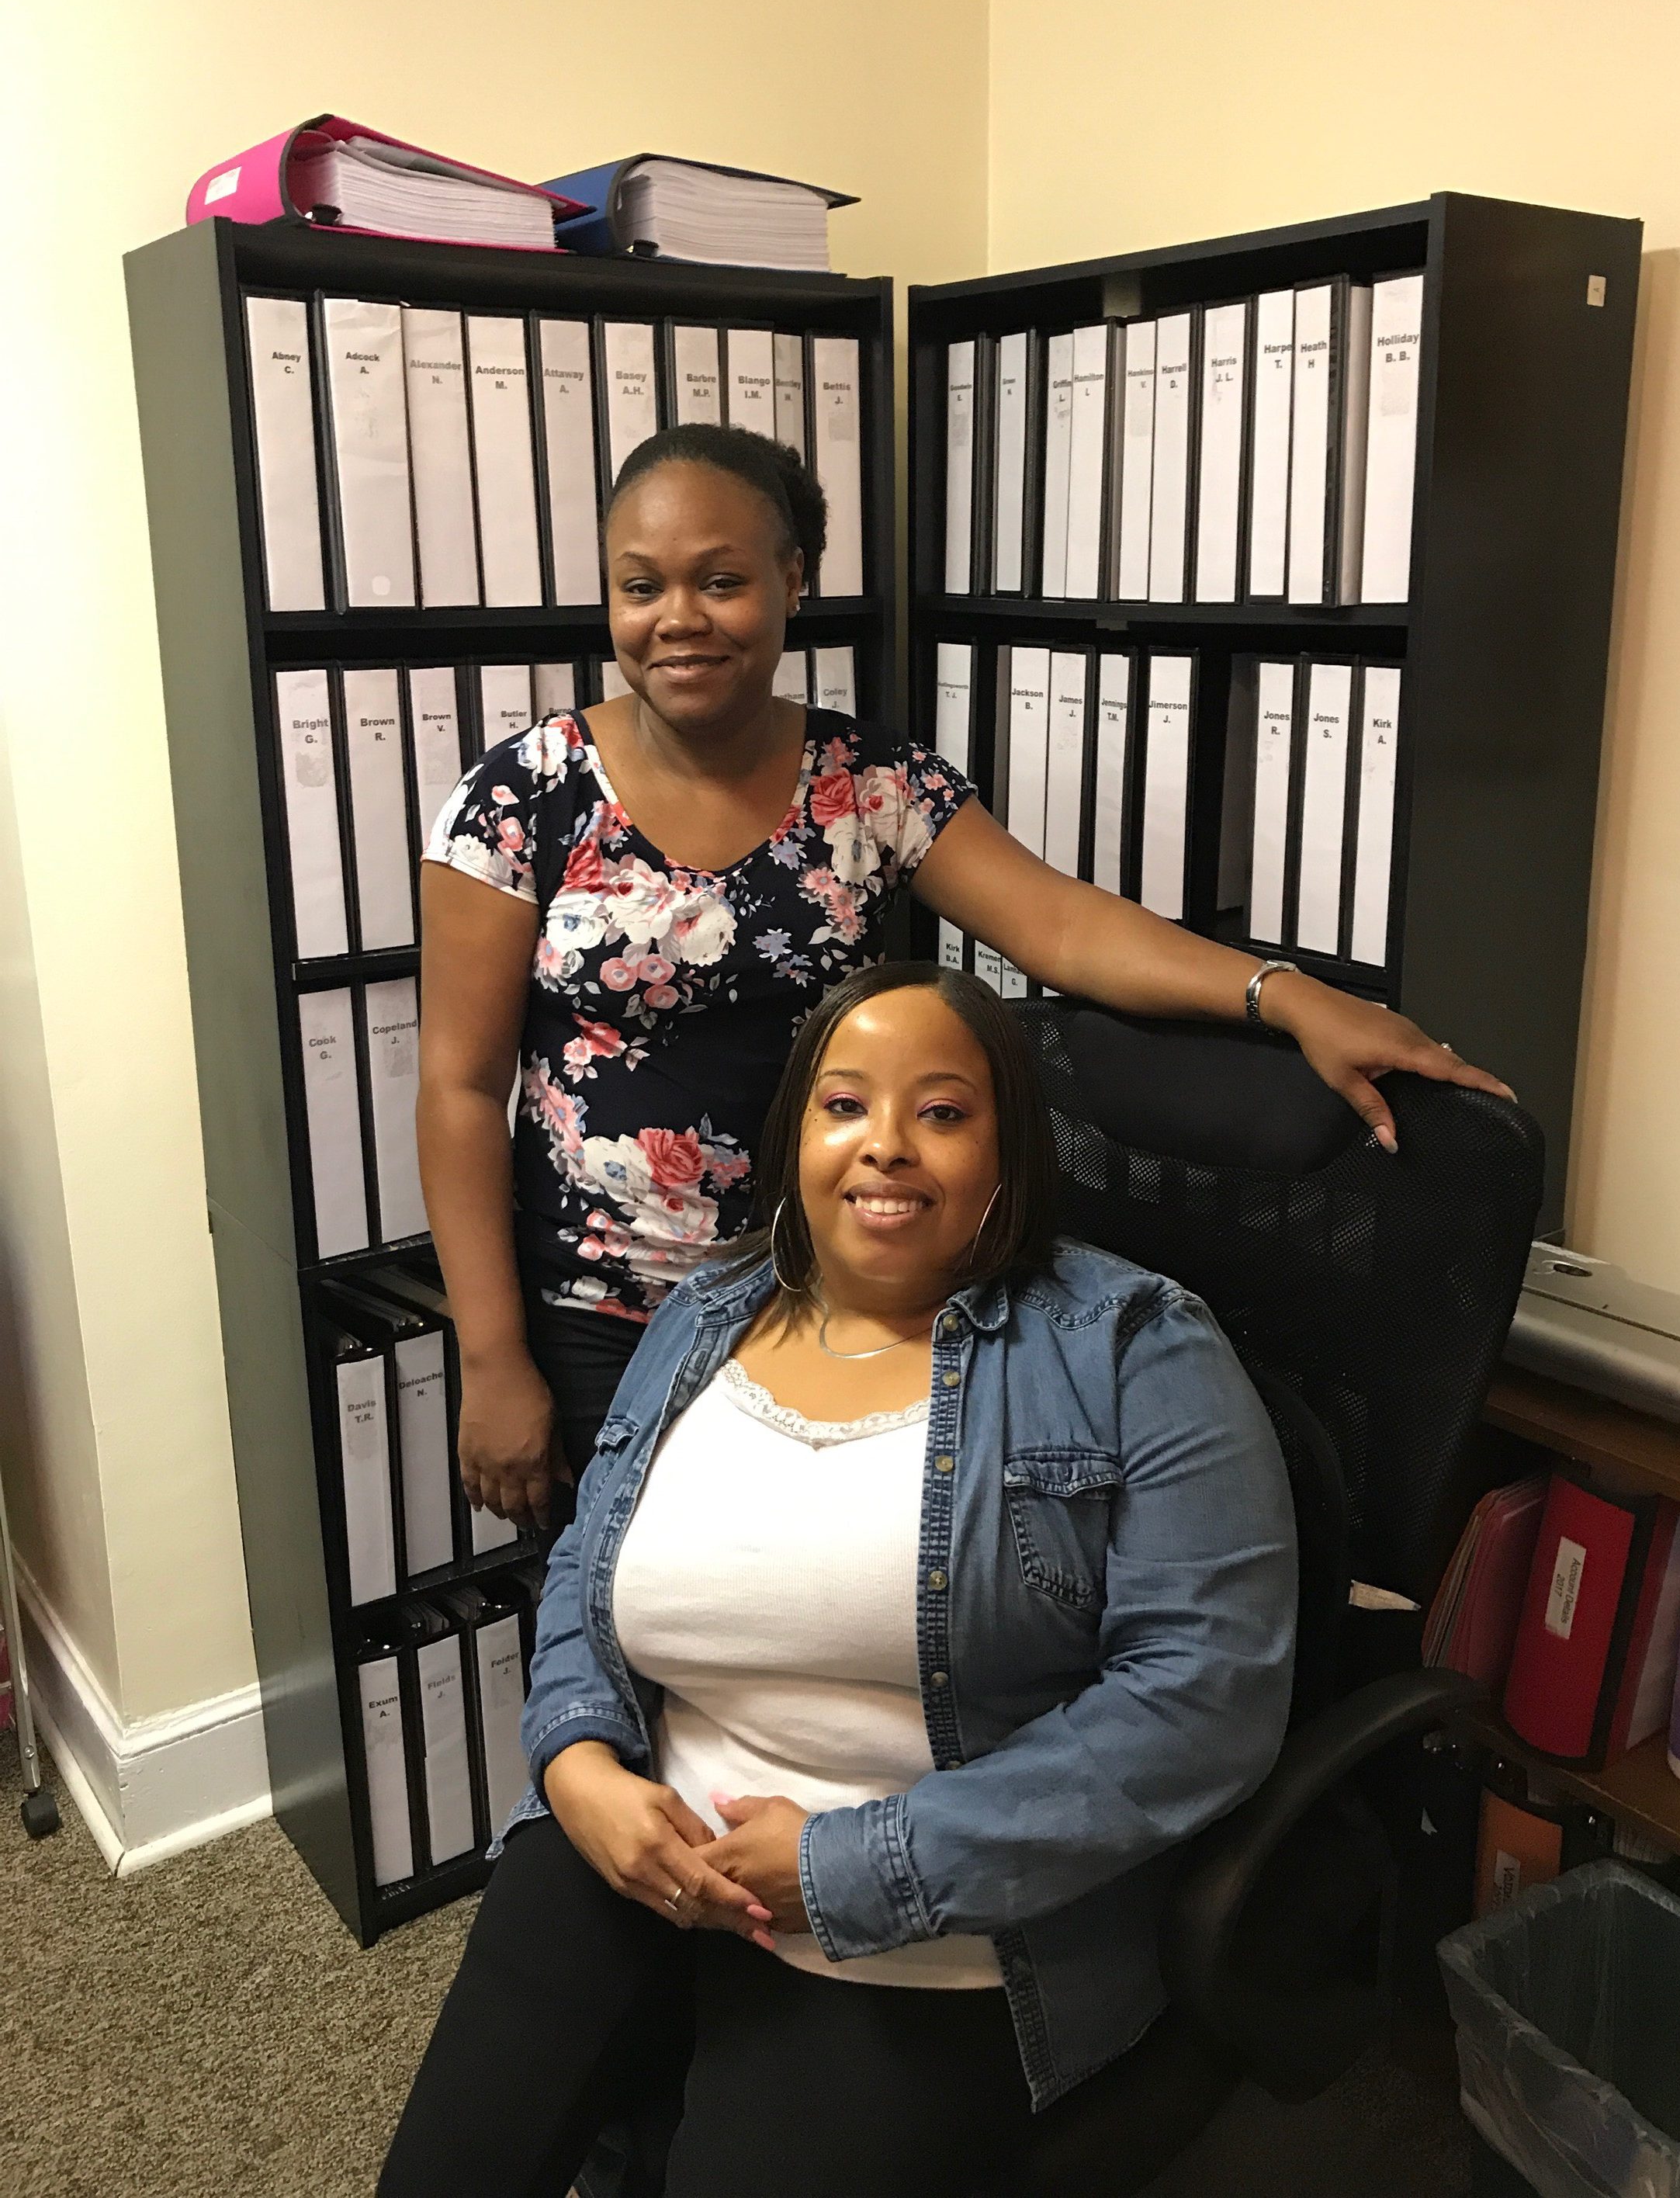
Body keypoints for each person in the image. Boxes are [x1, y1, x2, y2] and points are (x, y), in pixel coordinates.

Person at [417, 421, 1509, 1535]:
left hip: (840, 1302)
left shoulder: (869, 783)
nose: (678, 618)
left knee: (840, 1607)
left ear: (794, 580)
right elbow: (461, 1086)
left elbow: (1059, 924)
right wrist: (494, 1357)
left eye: (723, 580)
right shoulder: (523, 797)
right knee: (623, 1616)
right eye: (641, 586)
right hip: (599, 1319)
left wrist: (1288, 996)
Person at [380, 962, 1297, 2197]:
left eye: (942, 1112)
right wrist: (576, 1764)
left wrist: (848, 1866)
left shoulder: (1134, 1345)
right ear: (797, 1139)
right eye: (844, 1105)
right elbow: (590, 1570)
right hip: (635, 1846)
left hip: (931, 1921)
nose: (885, 1145)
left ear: (1009, 1154)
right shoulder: (707, 1312)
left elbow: (1201, 1704)